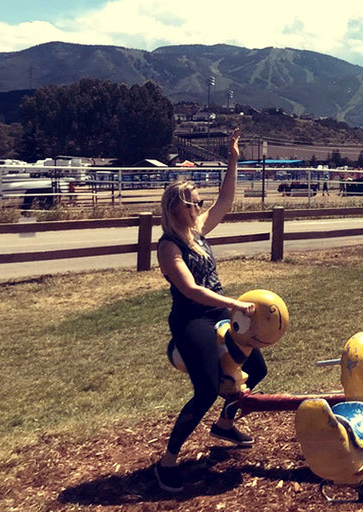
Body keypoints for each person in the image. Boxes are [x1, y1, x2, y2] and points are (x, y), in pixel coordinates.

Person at [154, 128, 263, 492]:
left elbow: (225, 201)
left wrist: (233, 158)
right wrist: (233, 304)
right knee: (205, 389)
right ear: (176, 208)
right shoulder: (169, 246)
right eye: (194, 203)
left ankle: (225, 425)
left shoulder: (197, 231)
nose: (201, 207)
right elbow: (190, 290)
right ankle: (167, 462)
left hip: (217, 311)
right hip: (192, 319)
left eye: (200, 202)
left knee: (256, 367)